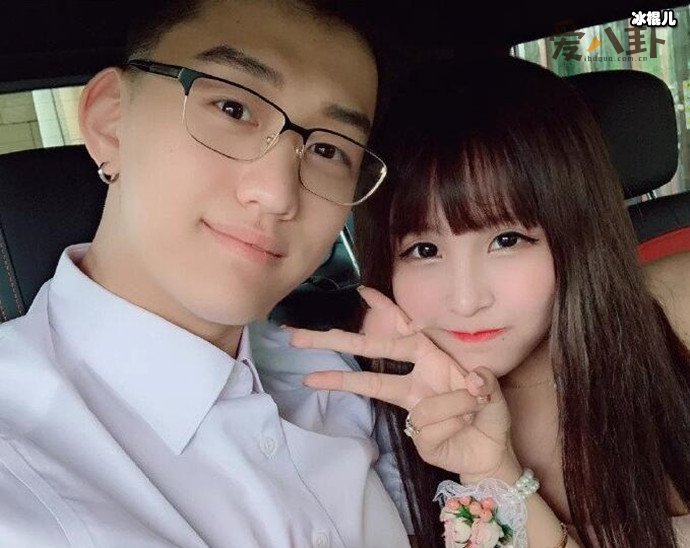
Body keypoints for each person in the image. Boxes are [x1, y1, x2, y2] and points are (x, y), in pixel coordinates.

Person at [0, 1, 411, 546]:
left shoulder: (339, 375)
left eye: (329, 149)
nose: (277, 194)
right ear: (111, 123)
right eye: (233, 109)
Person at [287, 56, 690, 547]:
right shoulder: (386, 425)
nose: (466, 300)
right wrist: (490, 472)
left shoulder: (678, 312)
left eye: (507, 240)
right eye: (424, 250)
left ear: (577, 230)